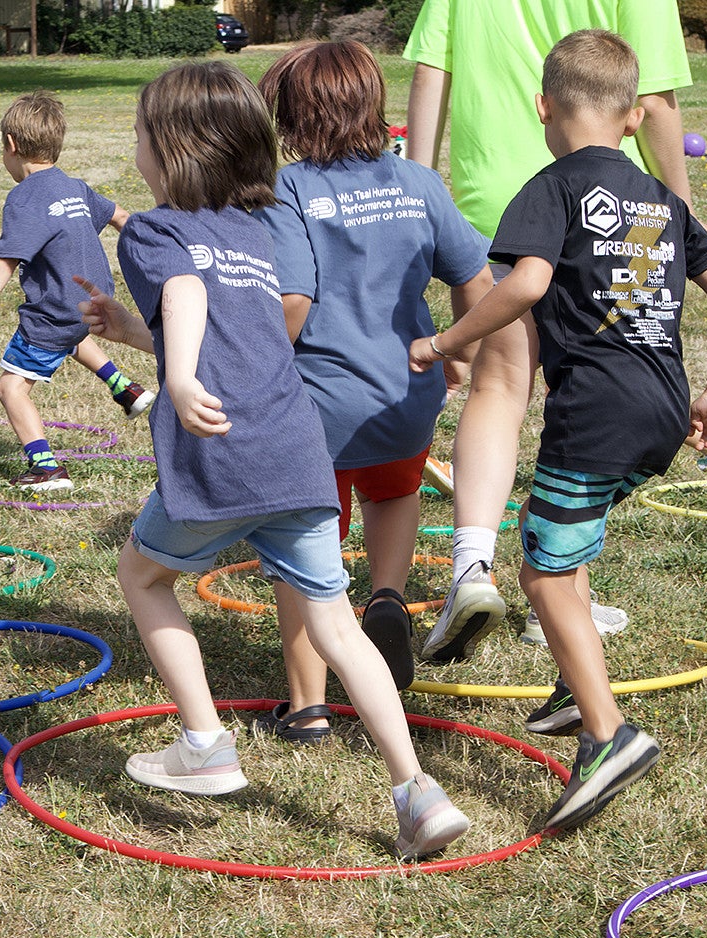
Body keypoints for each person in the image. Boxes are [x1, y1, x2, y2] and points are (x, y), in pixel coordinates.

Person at [74, 60, 469, 860]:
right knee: (337, 628)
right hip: (298, 455)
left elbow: (185, 297)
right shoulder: (256, 236)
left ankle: (204, 743)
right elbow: (233, 327)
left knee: (143, 578)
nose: (137, 149)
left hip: (227, 456)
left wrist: (177, 377)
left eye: (142, 135)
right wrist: (130, 330)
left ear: (173, 151)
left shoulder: (154, 230)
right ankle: (417, 793)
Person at [409, 29, 707, 830]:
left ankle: (608, 734)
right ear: (634, 117)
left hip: (593, 413)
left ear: (542, 108)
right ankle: (572, 683)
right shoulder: (662, 197)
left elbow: (524, 284)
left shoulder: (550, 187)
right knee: (571, 541)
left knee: (543, 577)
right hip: (661, 409)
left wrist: (446, 341)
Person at [246, 40, 493, 741]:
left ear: (294, 117)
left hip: (317, 408)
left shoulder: (289, 189)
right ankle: (386, 595)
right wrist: (457, 353)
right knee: (395, 491)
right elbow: (478, 282)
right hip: (404, 397)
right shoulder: (419, 181)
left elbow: (292, 302)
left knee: (302, 555)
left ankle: (308, 705)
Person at [0, 91, 151, 493]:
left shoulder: (25, 197)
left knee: (10, 386)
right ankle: (125, 388)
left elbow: (8, 257)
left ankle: (46, 467)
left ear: (11, 146)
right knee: (74, 331)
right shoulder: (75, 186)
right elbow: (120, 216)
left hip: (55, 311)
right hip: (92, 301)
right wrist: (157, 244)